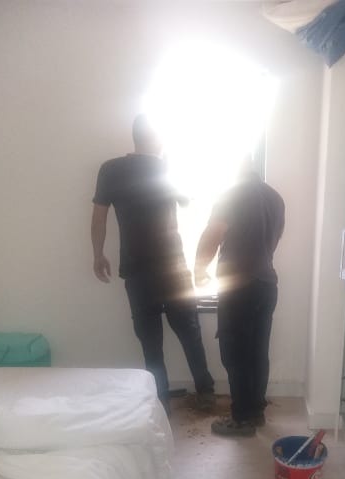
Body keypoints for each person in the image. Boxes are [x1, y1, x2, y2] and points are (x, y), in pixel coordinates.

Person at [91, 114, 215, 415]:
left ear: (135, 137)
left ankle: (160, 401)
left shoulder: (110, 169)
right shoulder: (165, 169)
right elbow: (188, 201)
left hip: (137, 270)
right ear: (158, 139)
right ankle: (205, 392)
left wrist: (98, 254)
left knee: (150, 342)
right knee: (190, 333)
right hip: (172, 269)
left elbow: (98, 217)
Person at [195, 162, 285, 437]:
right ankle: (256, 412)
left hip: (238, 287)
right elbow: (274, 240)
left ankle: (242, 418)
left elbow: (213, 233)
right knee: (257, 352)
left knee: (234, 353)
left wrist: (199, 269)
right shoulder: (275, 198)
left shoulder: (231, 195)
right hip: (266, 284)